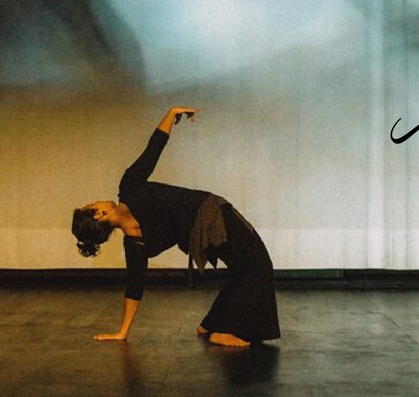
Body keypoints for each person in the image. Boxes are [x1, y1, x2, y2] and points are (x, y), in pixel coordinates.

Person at [71, 107, 280, 347]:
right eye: (92, 204)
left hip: (202, 237)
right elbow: (154, 148)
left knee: (243, 269)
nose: (96, 200)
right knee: (259, 265)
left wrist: (123, 332)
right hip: (214, 216)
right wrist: (171, 113)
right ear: (100, 215)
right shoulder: (129, 188)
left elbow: (134, 288)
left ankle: (211, 323)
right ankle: (223, 331)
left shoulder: (135, 244)